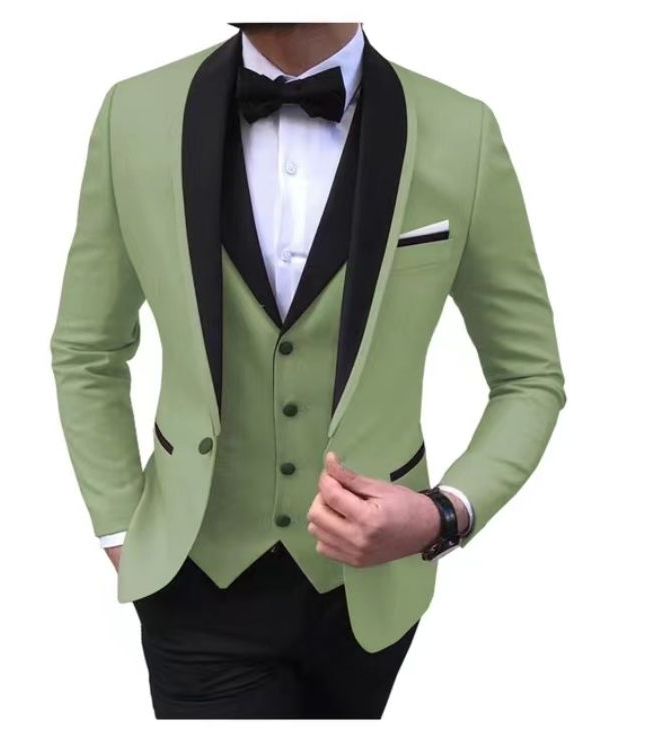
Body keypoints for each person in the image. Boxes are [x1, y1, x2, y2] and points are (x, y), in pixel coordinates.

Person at [49, 21, 567, 719]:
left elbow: (529, 375)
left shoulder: (461, 132)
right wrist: (118, 527)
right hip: (195, 575)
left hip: (374, 593)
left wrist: (443, 513)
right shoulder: (134, 116)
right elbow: (88, 347)